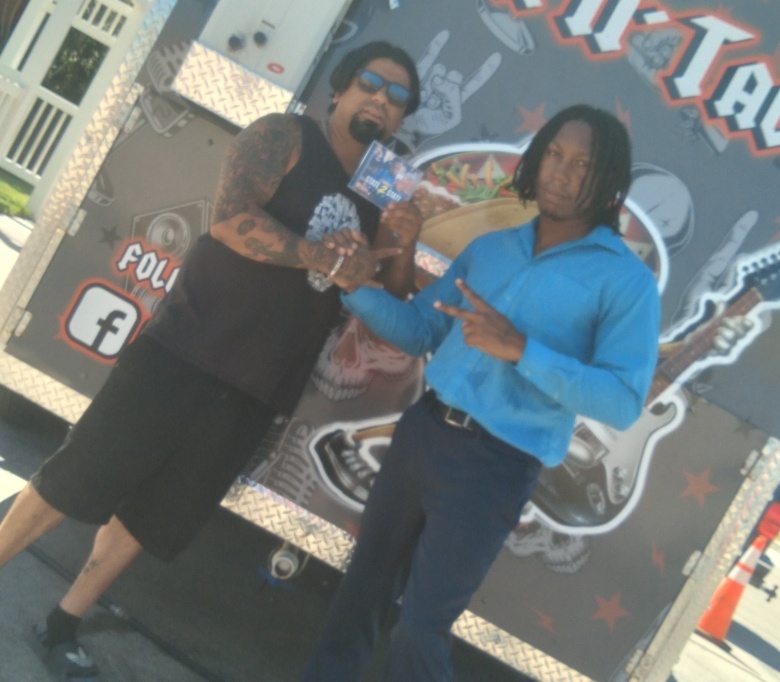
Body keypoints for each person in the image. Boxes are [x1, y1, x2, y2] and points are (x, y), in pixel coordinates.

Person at [0, 41, 422, 680]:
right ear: (339, 89)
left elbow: (387, 295)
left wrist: (402, 246)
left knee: (150, 517)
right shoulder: (285, 136)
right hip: (184, 351)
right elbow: (230, 220)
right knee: (75, 478)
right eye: (371, 82)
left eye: (398, 97)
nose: (381, 100)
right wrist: (316, 254)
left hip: (258, 388)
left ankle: (64, 621)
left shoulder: (377, 196)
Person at [303, 104, 661, 681]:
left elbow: (621, 401)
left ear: (610, 180)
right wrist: (355, 286)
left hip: (495, 467)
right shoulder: (493, 248)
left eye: (583, 163)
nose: (562, 172)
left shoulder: (626, 281)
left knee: (420, 628)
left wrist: (522, 350)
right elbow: (422, 330)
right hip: (422, 432)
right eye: (555, 154)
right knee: (359, 594)